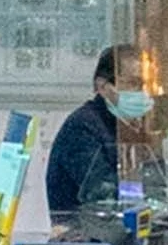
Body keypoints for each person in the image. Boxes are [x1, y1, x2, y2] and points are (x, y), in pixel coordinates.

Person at [42, 40, 159, 232]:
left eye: (146, 85)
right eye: (134, 84)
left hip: (112, 230)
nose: (143, 93)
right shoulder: (83, 128)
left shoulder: (124, 126)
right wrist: (146, 189)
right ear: (103, 87)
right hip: (79, 237)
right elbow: (101, 190)